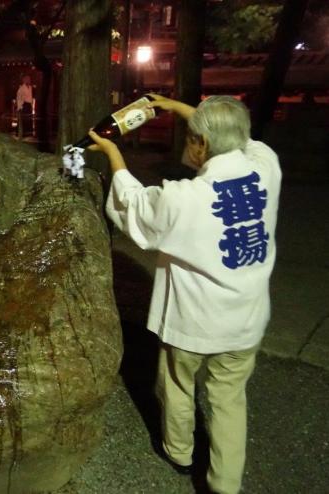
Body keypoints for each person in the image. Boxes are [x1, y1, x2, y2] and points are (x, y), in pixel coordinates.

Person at [87, 94, 281, 494]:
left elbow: (136, 205)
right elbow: (238, 138)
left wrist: (113, 153)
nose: (186, 143)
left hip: (194, 320)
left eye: (191, 137)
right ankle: (226, 484)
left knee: (177, 384)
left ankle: (179, 453)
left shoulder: (184, 198)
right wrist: (177, 107)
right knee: (229, 400)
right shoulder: (266, 168)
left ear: (202, 145)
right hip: (245, 318)